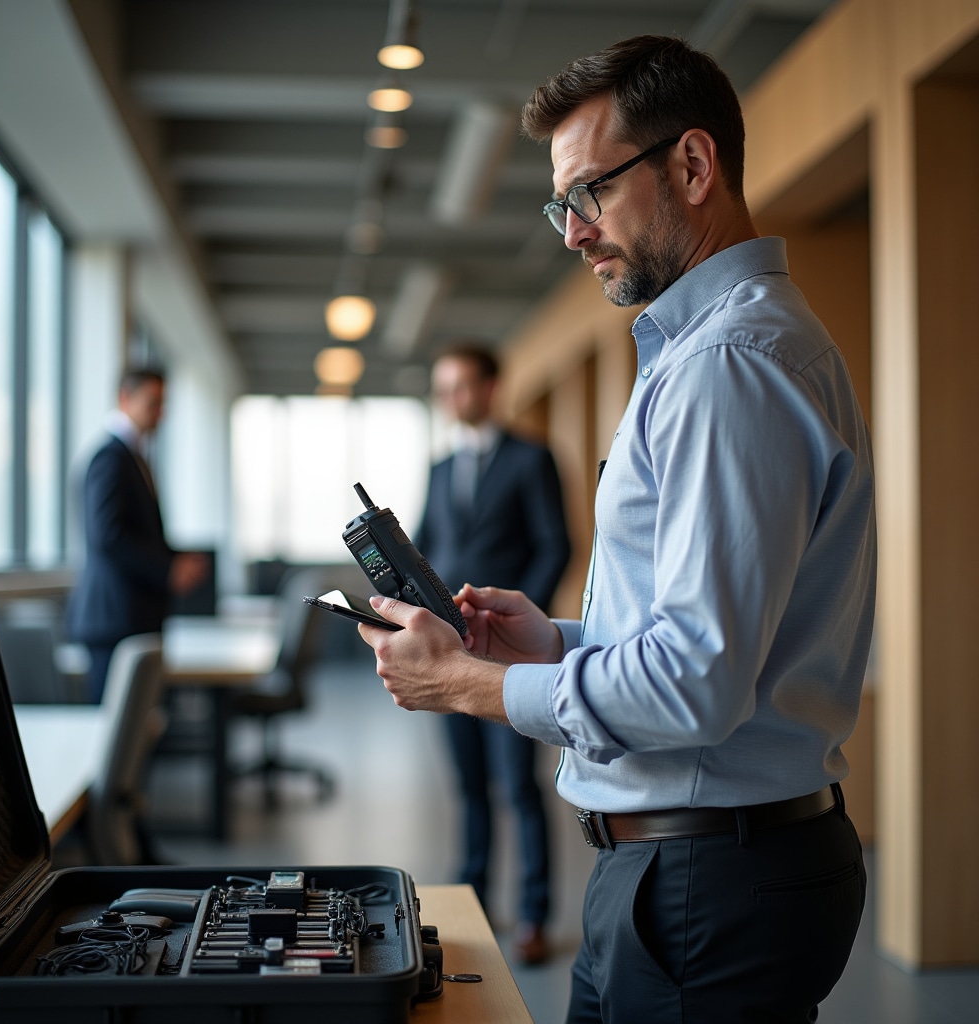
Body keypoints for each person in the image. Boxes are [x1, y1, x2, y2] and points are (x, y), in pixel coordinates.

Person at [357, 34, 876, 1024]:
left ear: (691, 166)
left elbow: (694, 682)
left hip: (701, 882)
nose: (570, 232)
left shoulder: (730, 367)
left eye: (588, 193)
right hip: (689, 865)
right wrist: (554, 640)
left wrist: (474, 683)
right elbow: (705, 640)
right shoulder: (725, 355)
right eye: (561, 204)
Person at [417, 341, 571, 965]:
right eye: (442, 388)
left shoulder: (532, 459)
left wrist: (515, 618)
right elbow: (428, 544)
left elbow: (554, 545)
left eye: (460, 385)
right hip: (451, 651)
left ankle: (534, 913)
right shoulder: (439, 467)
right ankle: (474, 899)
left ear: (490, 387)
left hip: (506, 652)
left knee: (518, 786)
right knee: (469, 785)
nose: (451, 399)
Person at [66, 367, 208, 703]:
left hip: (131, 617)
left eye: (163, 404)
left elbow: (137, 533)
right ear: (125, 399)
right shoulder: (110, 458)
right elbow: (107, 536)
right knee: (116, 741)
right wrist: (168, 570)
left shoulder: (133, 457)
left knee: (137, 735)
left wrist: (174, 559)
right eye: (153, 403)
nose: (161, 413)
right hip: (115, 620)